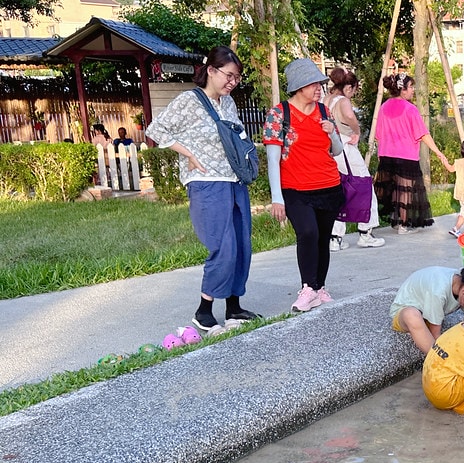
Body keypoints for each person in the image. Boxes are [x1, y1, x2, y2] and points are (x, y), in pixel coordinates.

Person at [147, 45, 260, 331]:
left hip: (235, 180)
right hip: (207, 182)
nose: (232, 82)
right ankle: (204, 310)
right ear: (211, 70)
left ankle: (233, 308)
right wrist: (188, 154)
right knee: (223, 246)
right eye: (228, 75)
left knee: (241, 245)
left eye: (236, 78)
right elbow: (156, 129)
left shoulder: (229, 103)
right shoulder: (189, 100)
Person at [263, 58, 345, 313]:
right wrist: (277, 198)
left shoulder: (324, 111)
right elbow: (272, 159)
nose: (319, 89)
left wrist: (332, 132)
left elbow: (337, 151)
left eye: (320, 84)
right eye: (313, 84)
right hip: (295, 189)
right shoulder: (279, 114)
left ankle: (320, 288)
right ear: (299, 87)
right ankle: (307, 287)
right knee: (307, 233)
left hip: (329, 185)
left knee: (322, 238)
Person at [373, 72, 451, 234]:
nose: (413, 90)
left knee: (394, 189)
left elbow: (378, 135)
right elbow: (423, 134)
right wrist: (438, 152)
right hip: (405, 156)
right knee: (405, 191)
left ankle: (396, 221)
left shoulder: (384, 107)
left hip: (386, 155)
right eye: (410, 87)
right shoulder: (410, 109)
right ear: (402, 90)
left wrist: (380, 154)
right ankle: (403, 224)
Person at [325, 68, 385, 251]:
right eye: (354, 90)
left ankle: (335, 237)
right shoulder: (343, 101)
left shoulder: (326, 99)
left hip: (330, 147)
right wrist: (357, 131)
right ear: (349, 87)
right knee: (364, 186)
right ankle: (366, 232)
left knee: (339, 189)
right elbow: (349, 115)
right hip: (346, 147)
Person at [390, 265, 464, 357]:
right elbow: (435, 334)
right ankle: (436, 358)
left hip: (429, 311)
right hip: (406, 312)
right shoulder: (438, 291)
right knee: (412, 315)